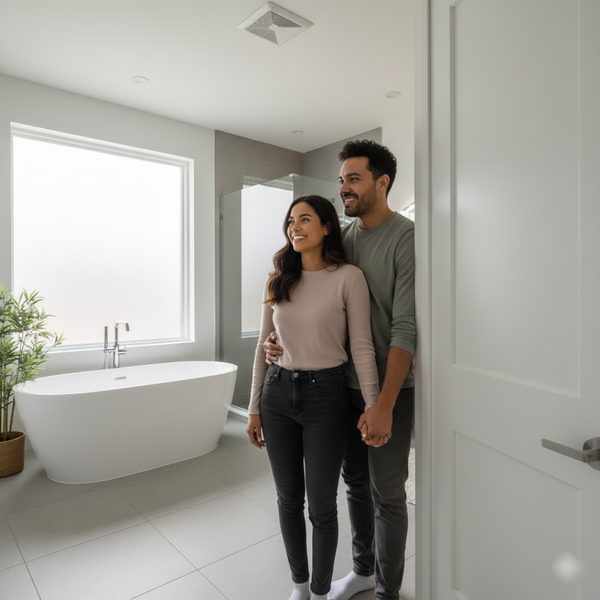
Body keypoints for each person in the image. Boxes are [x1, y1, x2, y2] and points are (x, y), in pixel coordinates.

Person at [265, 140, 416, 600]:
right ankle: (363, 570)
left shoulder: (406, 239)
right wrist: (280, 340)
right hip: (337, 386)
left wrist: (383, 405)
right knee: (353, 483)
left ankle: (388, 591)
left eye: (354, 179)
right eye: (342, 179)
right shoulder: (343, 237)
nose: (344, 188)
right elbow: (315, 300)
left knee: (387, 492)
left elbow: (406, 329)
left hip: (391, 387)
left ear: (381, 182)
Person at [246, 195, 381, 600]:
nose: (295, 227)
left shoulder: (349, 278)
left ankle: (321, 592)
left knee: (321, 506)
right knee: (288, 500)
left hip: (327, 397)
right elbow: (261, 346)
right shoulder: (277, 278)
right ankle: (300, 587)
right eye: (290, 221)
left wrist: (373, 406)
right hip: (277, 393)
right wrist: (253, 408)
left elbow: (361, 347)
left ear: (326, 227)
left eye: (305, 219)